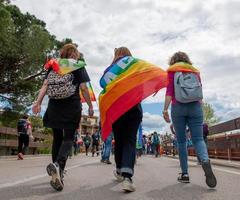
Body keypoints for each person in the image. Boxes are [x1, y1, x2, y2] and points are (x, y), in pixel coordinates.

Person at [32, 44, 94, 191]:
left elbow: (45, 85)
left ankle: (57, 170)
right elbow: (84, 88)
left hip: (54, 105)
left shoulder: (54, 64)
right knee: (68, 138)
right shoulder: (77, 65)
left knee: (57, 138)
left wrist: (38, 102)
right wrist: (90, 106)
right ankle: (58, 166)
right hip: (71, 105)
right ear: (75, 55)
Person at [163, 51, 217, 188]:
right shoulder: (195, 71)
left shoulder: (172, 72)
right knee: (198, 139)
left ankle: (185, 174)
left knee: (181, 141)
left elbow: (169, 92)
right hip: (195, 107)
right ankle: (205, 161)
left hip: (178, 107)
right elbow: (200, 92)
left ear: (173, 61)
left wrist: (165, 110)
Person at [107, 47, 143, 192]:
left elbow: (106, 88)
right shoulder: (135, 66)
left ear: (116, 55)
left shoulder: (110, 70)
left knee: (119, 142)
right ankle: (127, 177)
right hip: (134, 108)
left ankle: (119, 170)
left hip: (117, 110)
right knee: (129, 141)